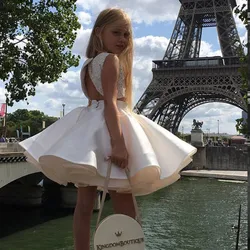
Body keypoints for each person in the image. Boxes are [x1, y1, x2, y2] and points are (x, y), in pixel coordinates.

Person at [19, 8, 197, 250]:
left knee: (84, 205)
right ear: (99, 32)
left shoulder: (88, 64)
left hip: (90, 132)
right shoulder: (111, 60)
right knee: (125, 203)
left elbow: (98, 102)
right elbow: (111, 104)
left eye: (126, 34)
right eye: (117, 33)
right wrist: (119, 143)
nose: (123, 39)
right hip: (111, 130)